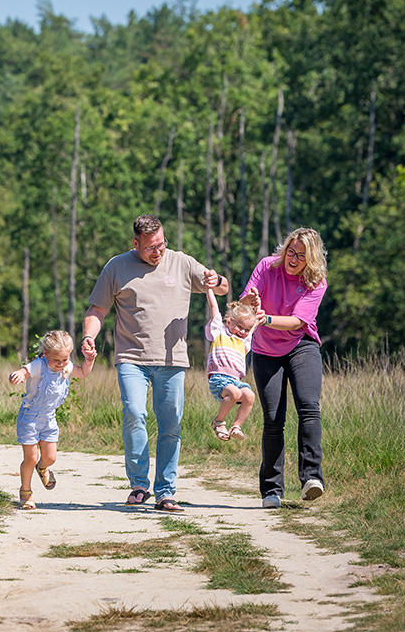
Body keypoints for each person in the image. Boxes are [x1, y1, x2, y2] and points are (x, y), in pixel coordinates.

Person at [83, 215, 228, 513]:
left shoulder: (182, 262)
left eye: (161, 244)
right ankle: (139, 485)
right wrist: (88, 336)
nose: (158, 252)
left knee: (170, 423)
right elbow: (97, 308)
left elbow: (221, 287)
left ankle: (165, 491)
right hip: (131, 358)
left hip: (172, 359)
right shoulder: (116, 267)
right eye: (151, 247)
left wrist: (218, 280)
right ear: (136, 244)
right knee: (134, 413)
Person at [239, 227, 329, 509]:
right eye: (291, 251)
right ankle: (271, 490)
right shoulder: (267, 266)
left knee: (308, 406)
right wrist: (250, 303)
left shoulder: (317, 281)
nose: (293, 258)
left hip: (301, 344)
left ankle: (312, 478)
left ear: (311, 258)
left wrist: (266, 319)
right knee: (274, 419)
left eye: (301, 255)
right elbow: (243, 305)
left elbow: (297, 322)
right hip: (265, 350)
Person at [8, 330, 96, 510]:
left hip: (49, 417)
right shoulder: (39, 365)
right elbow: (25, 371)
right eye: (57, 360)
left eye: (65, 359)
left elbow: (82, 373)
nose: (61, 364)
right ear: (46, 354)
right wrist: (17, 374)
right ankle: (26, 493)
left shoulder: (67, 366)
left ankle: (43, 469)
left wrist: (89, 360)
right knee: (30, 458)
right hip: (30, 417)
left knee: (50, 457)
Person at [204, 287, 259, 442]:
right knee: (234, 393)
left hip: (235, 380)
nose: (242, 332)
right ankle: (219, 422)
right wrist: (209, 289)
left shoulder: (244, 342)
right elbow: (214, 307)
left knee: (250, 396)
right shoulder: (219, 332)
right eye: (239, 327)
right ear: (229, 322)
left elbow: (254, 324)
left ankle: (236, 426)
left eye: (246, 330)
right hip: (218, 379)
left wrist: (257, 305)